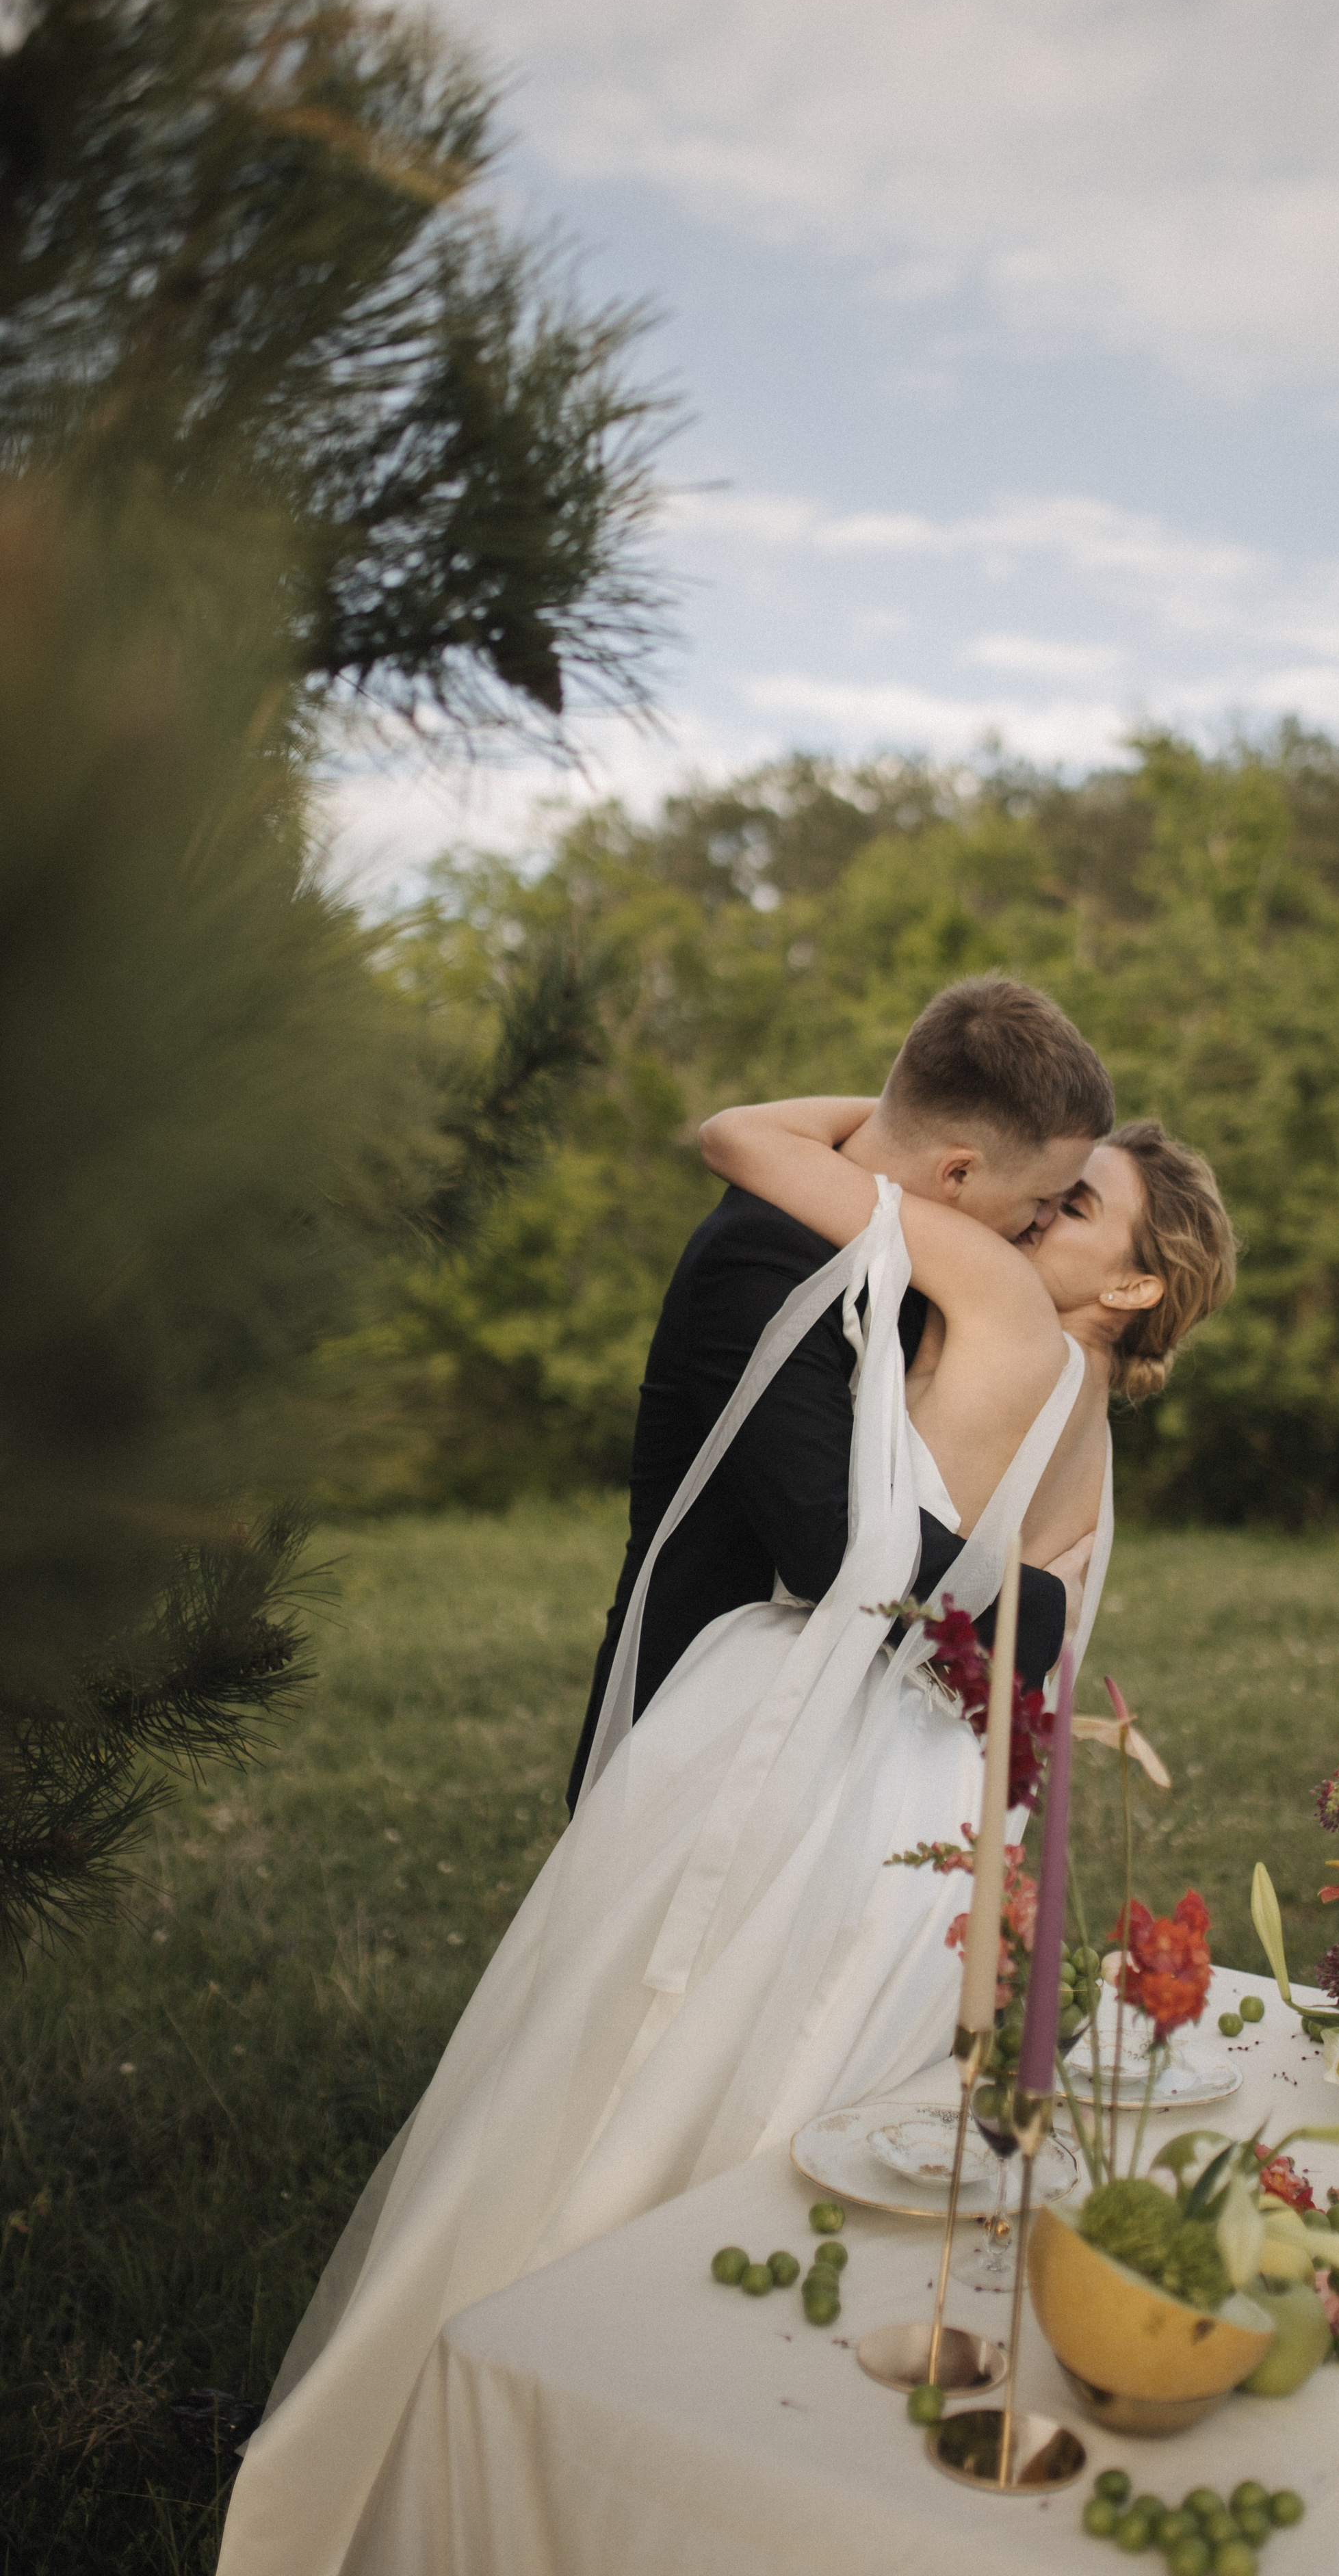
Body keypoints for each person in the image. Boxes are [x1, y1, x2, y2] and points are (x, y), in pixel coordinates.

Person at [217, 1032, 1234, 2576]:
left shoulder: (990, 1286)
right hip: (944, 1806)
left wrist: (913, 1119)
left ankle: (513, 2391)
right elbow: (1019, 1641)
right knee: (812, 2100)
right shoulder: (1092, 1437)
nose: (1039, 1212)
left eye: (1076, 1204)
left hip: (817, 1739)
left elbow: (741, 1136)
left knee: (626, 2066)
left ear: (1135, 1282)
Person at [565, 975, 1114, 1806]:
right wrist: (1039, 1602)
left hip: (850, 1736)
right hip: (703, 1734)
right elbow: (826, 1538)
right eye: (1041, 1200)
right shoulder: (759, 1259)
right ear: (957, 1171)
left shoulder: (927, 1252)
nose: (1041, 1224)